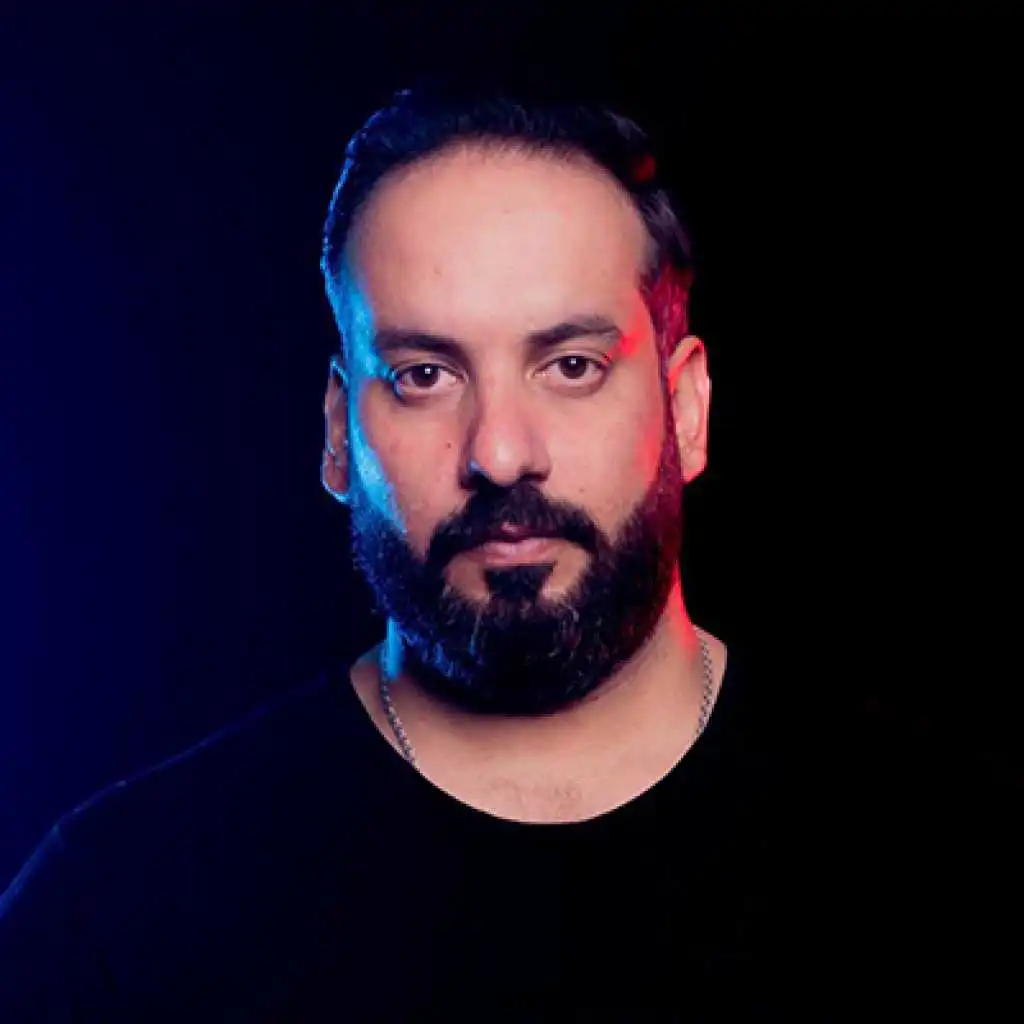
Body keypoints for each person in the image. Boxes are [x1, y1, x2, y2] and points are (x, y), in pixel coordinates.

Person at [0, 77, 1012, 1022]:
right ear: (340, 433)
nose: (498, 452)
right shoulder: (122, 914)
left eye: (570, 365)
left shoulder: (944, 862)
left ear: (688, 408)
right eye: (424, 375)